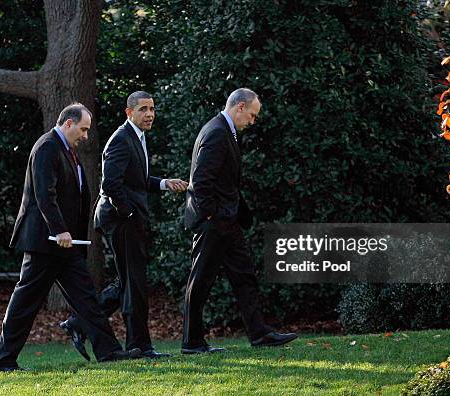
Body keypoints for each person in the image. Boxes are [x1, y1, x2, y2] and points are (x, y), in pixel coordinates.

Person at [0, 103, 139, 373]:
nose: (85, 135)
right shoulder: (47, 147)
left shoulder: (68, 150)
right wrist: (59, 230)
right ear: (67, 123)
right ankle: (2, 362)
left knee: (87, 299)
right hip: (45, 242)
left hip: (64, 246)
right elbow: (45, 196)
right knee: (25, 304)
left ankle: (109, 351)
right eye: (83, 129)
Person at [60, 91, 187, 360]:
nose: (150, 114)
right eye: (143, 109)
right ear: (129, 113)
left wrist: (164, 183)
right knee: (134, 282)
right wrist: (129, 214)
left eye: (152, 108)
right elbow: (111, 184)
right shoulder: (120, 139)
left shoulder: (137, 138)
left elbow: (135, 178)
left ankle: (79, 323)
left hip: (125, 218)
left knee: (128, 282)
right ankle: (139, 346)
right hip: (120, 220)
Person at [182, 88, 297, 354]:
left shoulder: (224, 130)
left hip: (227, 221)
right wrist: (212, 214)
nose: (252, 122)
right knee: (200, 281)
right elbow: (201, 181)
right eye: (252, 116)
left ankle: (259, 334)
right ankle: (192, 342)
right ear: (240, 107)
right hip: (214, 222)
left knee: (245, 276)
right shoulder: (216, 133)